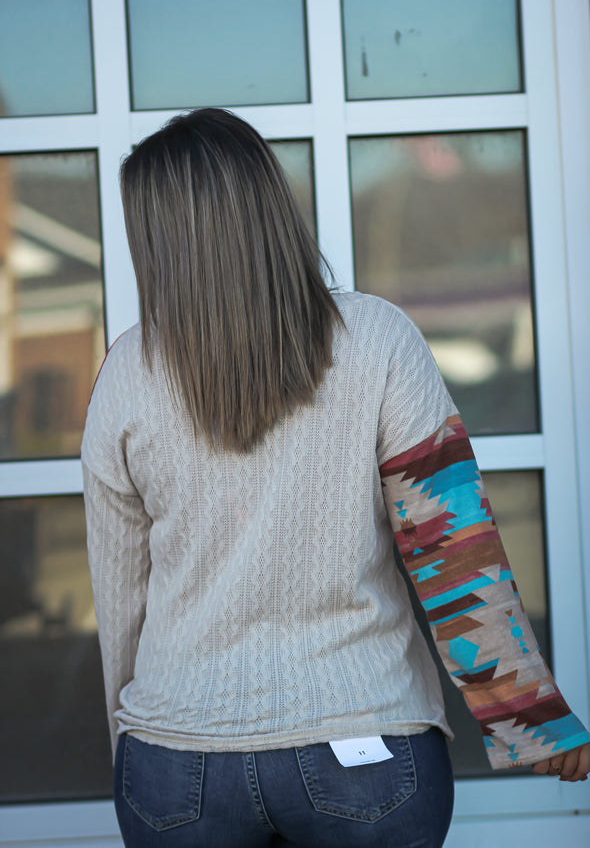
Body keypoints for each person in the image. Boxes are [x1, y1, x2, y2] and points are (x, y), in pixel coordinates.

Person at [82, 108, 590, 848]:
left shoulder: (124, 372)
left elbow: (120, 597)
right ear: (269, 204)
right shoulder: (378, 338)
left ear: (156, 240)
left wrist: (140, 743)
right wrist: (531, 718)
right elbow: (452, 548)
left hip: (178, 765)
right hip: (368, 752)